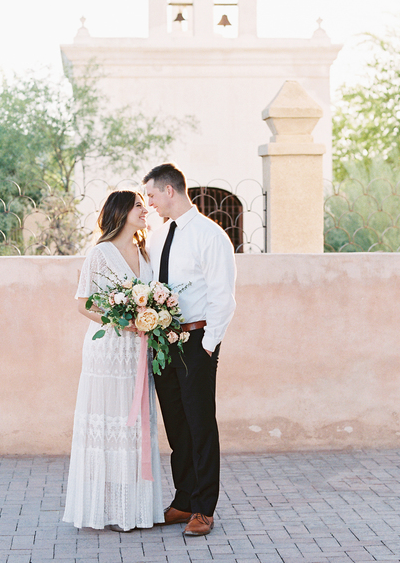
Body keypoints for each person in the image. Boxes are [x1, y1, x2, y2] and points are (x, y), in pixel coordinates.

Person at [143, 163, 236, 537]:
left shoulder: (210, 236)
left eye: (150, 195)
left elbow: (222, 295)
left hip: (197, 342)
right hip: (163, 341)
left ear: (169, 191)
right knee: (177, 425)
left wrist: (209, 346)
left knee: (200, 424)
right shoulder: (160, 235)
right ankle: (183, 501)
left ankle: (203, 509)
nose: (148, 203)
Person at [62, 190, 164, 531]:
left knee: (135, 427)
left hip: (138, 350)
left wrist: (151, 318)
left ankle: (133, 511)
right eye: (138, 205)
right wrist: (121, 320)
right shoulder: (101, 253)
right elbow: (84, 304)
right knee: (109, 425)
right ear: (121, 211)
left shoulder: (145, 252)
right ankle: (105, 510)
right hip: (108, 350)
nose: (145, 209)